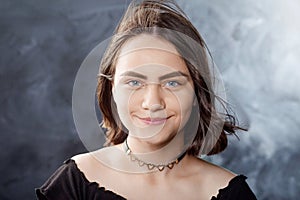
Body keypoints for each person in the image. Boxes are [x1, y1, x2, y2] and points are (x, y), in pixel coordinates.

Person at [36, 0, 257, 199]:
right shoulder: (75, 182)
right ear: (112, 89)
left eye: (172, 83)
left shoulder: (232, 194)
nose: (152, 103)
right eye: (134, 83)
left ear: (196, 92)